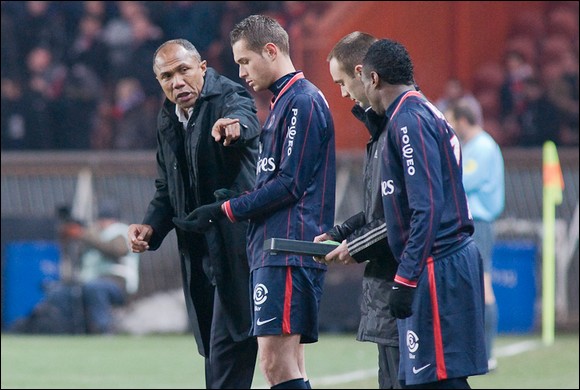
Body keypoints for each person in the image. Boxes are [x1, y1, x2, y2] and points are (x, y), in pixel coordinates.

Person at [173, 14, 336, 389]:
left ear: (271, 50)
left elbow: (290, 184)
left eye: (245, 61)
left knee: (276, 364)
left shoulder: (302, 100)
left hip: (288, 249)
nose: (242, 72)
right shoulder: (282, 103)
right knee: (287, 363)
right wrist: (240, 199)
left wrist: (228, 209)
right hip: (274, 248)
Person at [127, 38, 260, 389]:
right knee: (218, 354)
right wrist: (150, 227)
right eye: (167, 76)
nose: (177, 82)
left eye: (184, 70)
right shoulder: (168, 116)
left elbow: (246, 117)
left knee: (227, 355)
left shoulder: (228, 96)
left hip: (235, 250)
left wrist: (236, 126)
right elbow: (167, 187)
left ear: (202, 68)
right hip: (197, 251)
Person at [360, 38, 488, 388]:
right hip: (440, 260)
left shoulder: (409, 121)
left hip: (438, 262)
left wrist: (405, 278)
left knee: (437, 381)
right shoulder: (421, 111)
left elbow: (426, 207)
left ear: (373, 79)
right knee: (430, 380)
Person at [313, 31, 400, 389]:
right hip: (391, 285)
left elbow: (407, 215)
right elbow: (380, 207)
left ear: (365, 73)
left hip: (408, 284)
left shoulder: (405, 125)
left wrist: (354, 247)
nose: (343, 93)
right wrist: (342, 232)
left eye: (342, 82)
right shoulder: (382, 128)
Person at [444, 97, 505, 372]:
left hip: (479, 223)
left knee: (484, 285)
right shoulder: (475, 146)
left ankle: (488, 352)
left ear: (463, 120)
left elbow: (461, 181)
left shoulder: (482, 148)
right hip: (474, 223)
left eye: (453, 121)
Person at [59, 199, 139, 334]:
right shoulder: (96, 233)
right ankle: (71, 331)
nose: (103, 223)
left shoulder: (122, 231)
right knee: (65, 292)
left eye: (107, 219)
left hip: (117, 282)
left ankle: (104, 329)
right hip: (93, 280)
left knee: (96, 287)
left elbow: (118, 250)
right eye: (102, 219)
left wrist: (85, 234)